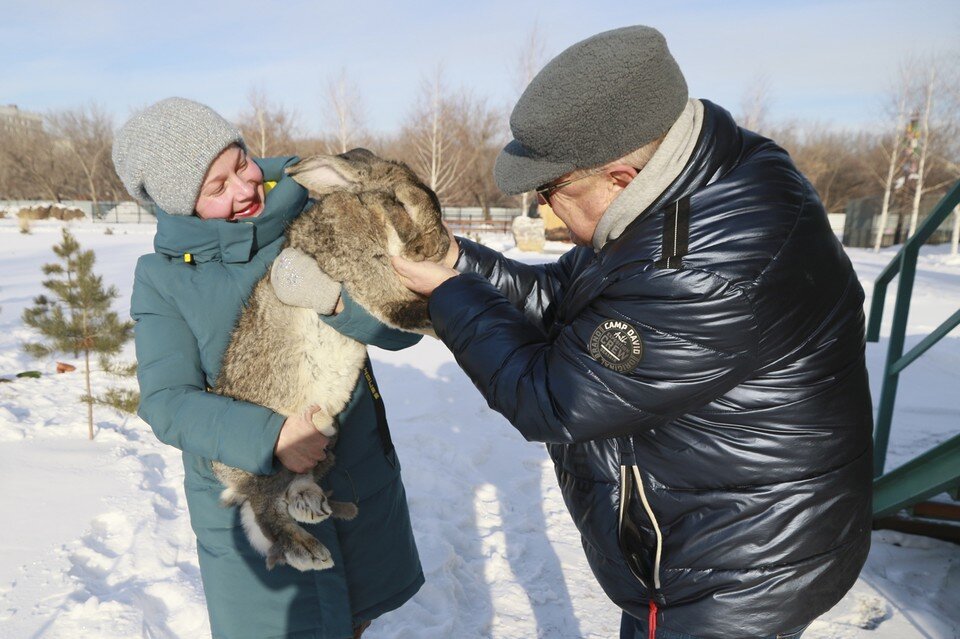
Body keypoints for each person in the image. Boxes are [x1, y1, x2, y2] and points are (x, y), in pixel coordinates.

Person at [392, 26, 872, 639]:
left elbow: (553, 399)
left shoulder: (697, 264)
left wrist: (451, 297)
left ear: (620, 177)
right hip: (726, 535)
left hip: (729, 577)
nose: (542, 210)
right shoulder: (689, 188)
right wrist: (454, 259)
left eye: (551, 190)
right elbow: (564, 296)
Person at [115, 97, 423, 639]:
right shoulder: (163, 279)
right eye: (215, 188)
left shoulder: (320, 204)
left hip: (353, 475)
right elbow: (166, 401)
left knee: (355, 619)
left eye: (240, 164)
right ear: (178, 205)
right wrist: (272, 437)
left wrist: (334, 303)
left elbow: (402, 332)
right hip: (250, 505)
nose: (243, 190)